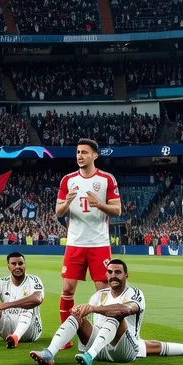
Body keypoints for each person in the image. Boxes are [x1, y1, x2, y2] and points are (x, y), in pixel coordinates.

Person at [29, 259, 183, 365]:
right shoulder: (99, 295)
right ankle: (49, 353)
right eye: (110, 272)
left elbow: (125, 310)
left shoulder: (135, 294)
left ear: (126, 275)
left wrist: (92, 309)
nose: (113, 276)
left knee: (116, 317)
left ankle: (89, 357)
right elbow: (159, 347)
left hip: (124, 351)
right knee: (76, 316)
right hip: (100, 347)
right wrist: (79, 311)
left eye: (118, 272)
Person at [55, 138, 120, 346]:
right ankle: (65, 338)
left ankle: (102, 335)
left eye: (84, 152)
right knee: (67, 289)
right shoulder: (68, 180)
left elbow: (117, 210)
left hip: (99, 243)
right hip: (75, 243)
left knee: (102, 292)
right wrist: (67, 202)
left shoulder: (106, 179)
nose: (80, 156)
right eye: (78, 153)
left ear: (95, 155)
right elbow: (58, 212)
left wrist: (99, 204)